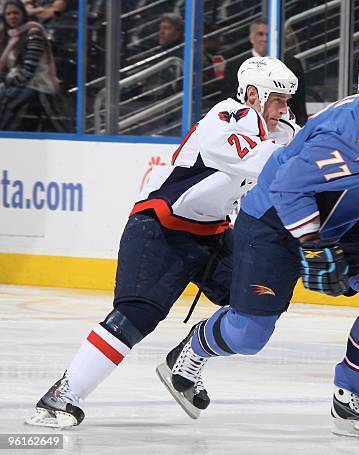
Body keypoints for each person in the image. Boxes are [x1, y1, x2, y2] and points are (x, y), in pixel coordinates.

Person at [160, 50, 359, 439]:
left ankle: (351, 398)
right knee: (248, 336)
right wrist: (312, 244)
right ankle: (192, 351)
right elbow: (287, 186)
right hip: (275, 219)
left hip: (347, 216)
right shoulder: (346, 128)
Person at [25, 57, 299, 428]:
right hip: (161, 226)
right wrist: (310, 150)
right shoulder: (227, 116)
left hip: (214, 234)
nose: (285, 109)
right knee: (137, 315)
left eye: (287, 102)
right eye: (278, 99)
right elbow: (257, 163)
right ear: (253, 95)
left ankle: (186, 361)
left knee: (258, 297)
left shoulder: (284, 132)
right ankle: (62, 395)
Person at [221, 17, 308, 126]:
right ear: (251, 37)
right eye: (260, 34)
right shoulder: (235, 65)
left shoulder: (292, 64)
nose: (265, 39)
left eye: (268, 35)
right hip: (244, 126)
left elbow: (299, 104)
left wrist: (301, 132)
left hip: (282, 127)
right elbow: (229, 99)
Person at [0, 0, 65, 132]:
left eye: (15, 13)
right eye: (8, 14)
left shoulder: (34, 32)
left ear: (23, 14)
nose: (12, 17)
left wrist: (7, 83)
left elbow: (29, 70)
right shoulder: (10, 36)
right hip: (18, 84)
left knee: (7, 102)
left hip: (36, 85)